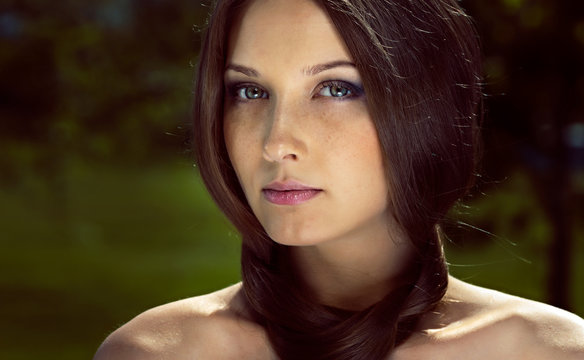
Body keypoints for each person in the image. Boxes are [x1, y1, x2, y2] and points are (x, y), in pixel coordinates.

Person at [94, 0, 584, 359]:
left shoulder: (549, 351)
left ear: (430, 106)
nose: (275, 142)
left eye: (335, 88)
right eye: (249, 90)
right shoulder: (156, 352)